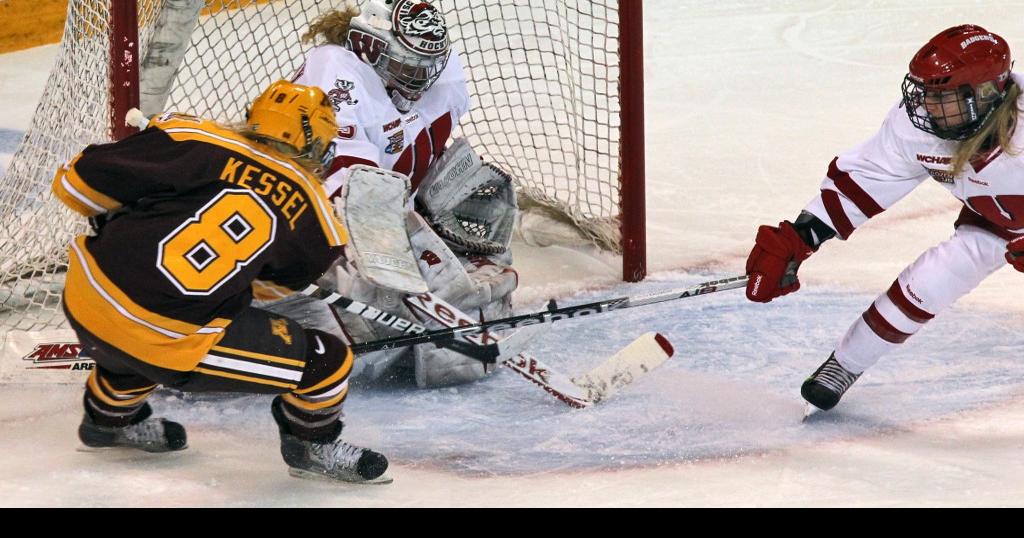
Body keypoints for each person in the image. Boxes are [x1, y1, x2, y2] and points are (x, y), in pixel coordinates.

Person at [52, 80, 390, 484]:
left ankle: (107, 422)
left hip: (86, 295)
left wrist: (136, 212)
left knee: (134, 345)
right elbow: (267, 292)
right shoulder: (318, 215)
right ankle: (311, 444)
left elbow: (72, 185)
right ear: (316, 144)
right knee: (328, 360)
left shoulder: (191, 136)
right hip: (164, 335)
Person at [744, 24, 1023, 412]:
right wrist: (801, 237)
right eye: (925, 92)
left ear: (986, 93)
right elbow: (869, 177)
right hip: (993, 225)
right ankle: (843, 366)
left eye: (942, 96)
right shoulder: (917, 126)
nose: (925, 106)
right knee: (929, 281)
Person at [276, 0, 519, 388]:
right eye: (409, 66)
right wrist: (403, 259)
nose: (420, 79)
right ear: (370, 47)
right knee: (355, 331)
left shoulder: (431, 69)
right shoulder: (335, 72)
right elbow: (349, 192)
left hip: (376, 215)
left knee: (471, 270)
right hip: (312, 228)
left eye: (428, 67)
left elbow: (413, 153)